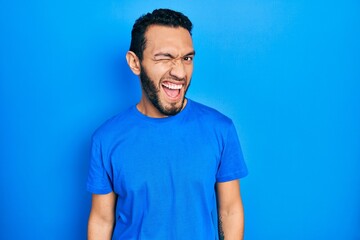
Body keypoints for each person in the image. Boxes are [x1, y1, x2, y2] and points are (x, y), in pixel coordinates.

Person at [87, 8, 248, 240]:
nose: (180, 72)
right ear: (135, 63)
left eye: (187, 58)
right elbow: (101, 220)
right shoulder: (106, 138)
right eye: (164, 58)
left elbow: (230, 210)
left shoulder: (220, 129)